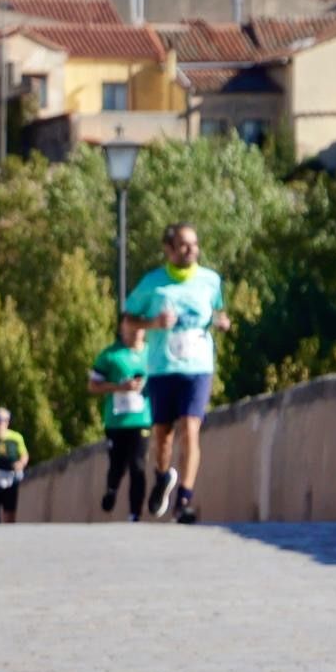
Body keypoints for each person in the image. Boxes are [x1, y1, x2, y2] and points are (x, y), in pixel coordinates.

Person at [121, 223, 226, 523]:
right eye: (183, 245)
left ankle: (184, 500)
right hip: (163, 368)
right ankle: (163, 476)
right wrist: (153, 324)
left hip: (198, 368)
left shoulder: (210, 280)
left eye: (194, 244)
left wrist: (221, 321)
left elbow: (217, 310)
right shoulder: (153, 284)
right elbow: (129, 319)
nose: (191, 249)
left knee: (191, 428)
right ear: (168, 249)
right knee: (163, 435)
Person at [90, 332, 154, 518]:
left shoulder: (152, 352)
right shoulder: (110, 355)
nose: (136, 331)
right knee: (117, 465)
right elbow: (93, 385)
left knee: (138, 465)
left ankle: (135, 513)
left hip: (142, 420)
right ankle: (111, 489)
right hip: (116, 421)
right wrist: (119, 387)